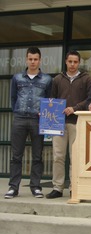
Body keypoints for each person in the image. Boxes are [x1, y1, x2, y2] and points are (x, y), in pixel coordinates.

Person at [5, 47, 52, 199]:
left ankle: (36, 187)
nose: (33, 62)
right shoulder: (17, 78)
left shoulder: (47, 79)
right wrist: (17, 111)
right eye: (30, 59)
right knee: (16, 156)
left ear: (40, 60)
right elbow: (13, 98)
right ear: (26, 59)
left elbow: (49, 100)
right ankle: (13, 187)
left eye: (35, 59)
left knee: (37, 156)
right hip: (20, 119)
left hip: (37, 120)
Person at [46, 50, 91, 199]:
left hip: (77, 122)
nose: (72, 64)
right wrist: (46, 111)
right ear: (66, 62)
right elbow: (51, 100)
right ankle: (57, 188)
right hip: (58, 123)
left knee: (75, 157)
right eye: (70, 61)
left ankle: (74, 188)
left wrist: (75, 108)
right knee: (58, 156)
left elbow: (90, 99)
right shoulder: (57, 79)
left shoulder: (86, 79)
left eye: (75, 62)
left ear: (79, 63)